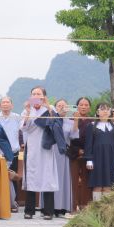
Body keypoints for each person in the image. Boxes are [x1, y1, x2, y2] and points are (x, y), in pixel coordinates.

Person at [20, 87, 59, 219]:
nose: (36, 96)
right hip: (32, 148)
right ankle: (29, 210)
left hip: (46, 147)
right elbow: (24, 128)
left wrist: (47, 105)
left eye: (39, 94)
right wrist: (28, 111)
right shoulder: (27, 110)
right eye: (34, 94)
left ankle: (48, 211)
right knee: (31, 176)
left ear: (44, 96)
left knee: (47, 177)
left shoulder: (50, 109)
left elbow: (56, 123)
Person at [84, 102, 114, 200]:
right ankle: (96, 210)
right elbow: (88, 144)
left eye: (107, 109)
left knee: (108, 185)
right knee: (97, 185)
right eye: (102, 109)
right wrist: (89, 159)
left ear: (110, 112)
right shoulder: (91, 126)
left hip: (111, 158)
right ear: (97, 112)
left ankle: (106, 210)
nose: (105, 111)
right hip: (97, 159)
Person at [68, 97, 93, 210]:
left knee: (86, 180)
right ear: (76, 106)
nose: (83, 107)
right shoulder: (70, 119)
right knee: (72, 180)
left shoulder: (93, 121)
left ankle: (85, 205)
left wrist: (86, 151)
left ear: (89, 108)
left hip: (88, 155)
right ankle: (72, 206)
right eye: (81, 104)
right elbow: (68, 139)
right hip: (74, 154)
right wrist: (77, 150)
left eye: (86, 105)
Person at [52, 99, 74, 216]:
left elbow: (74, 136)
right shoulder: (51, 120)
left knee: (63, 179)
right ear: (55, 108)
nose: (61, 107)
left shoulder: (70, 122)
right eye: (59, 105)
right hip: (52, 152)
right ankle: (49, 206)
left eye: (64, 106)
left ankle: (63, 206)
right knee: (52, 178)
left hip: (63, 152)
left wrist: (75, 121)